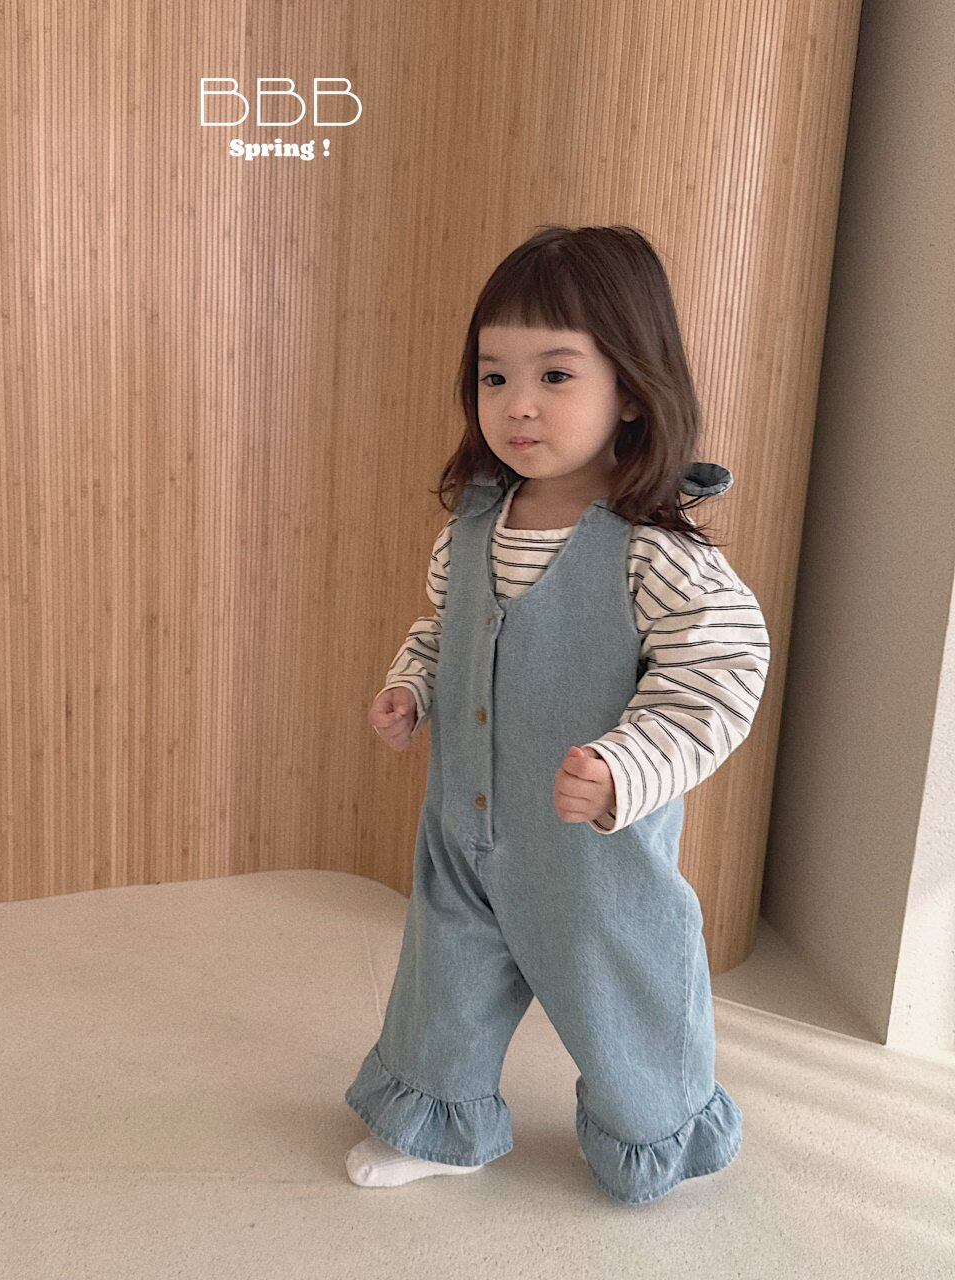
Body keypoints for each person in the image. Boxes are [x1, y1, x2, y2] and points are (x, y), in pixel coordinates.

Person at [343, 225, 771, 1205]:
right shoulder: (471, 529)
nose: (518, 404)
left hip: (590, 855)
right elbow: (444, 629)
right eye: (493, 377)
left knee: (625, 994)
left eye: (555, 375)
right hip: (465, 828)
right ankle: (439, 1118)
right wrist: (412, 686)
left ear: (632, 390)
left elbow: (717, 674)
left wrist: (626, 767)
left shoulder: (654, 551)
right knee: (443, 978)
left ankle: (654, 1127)